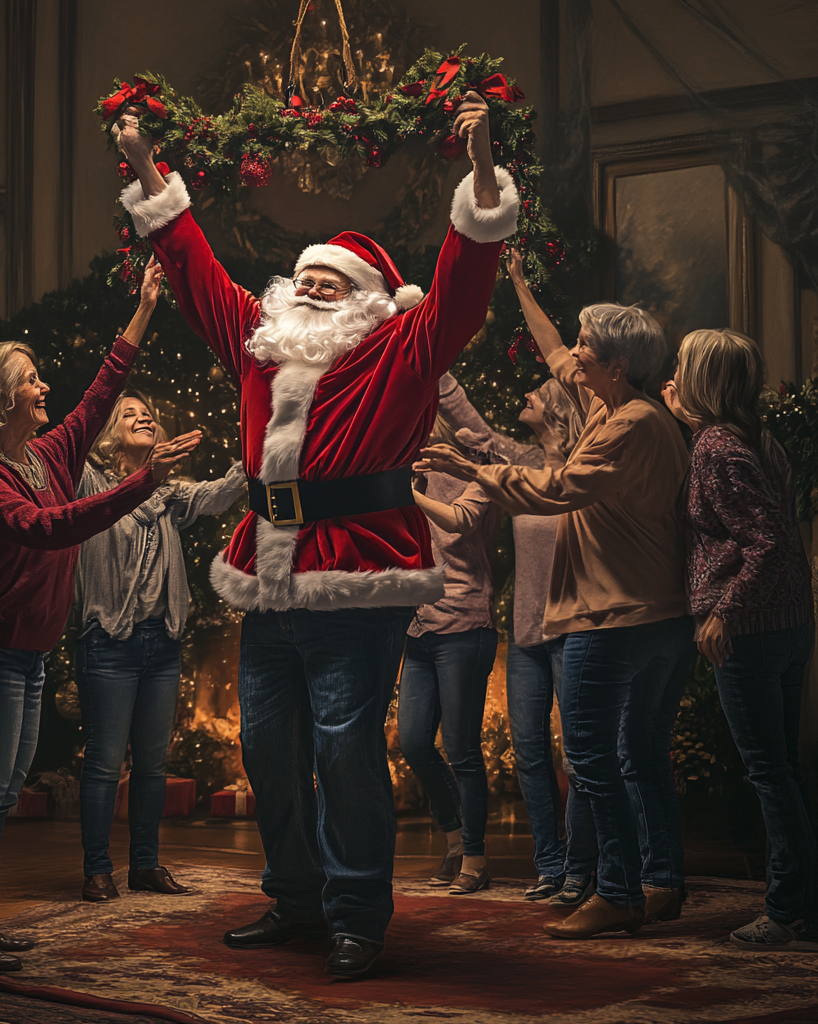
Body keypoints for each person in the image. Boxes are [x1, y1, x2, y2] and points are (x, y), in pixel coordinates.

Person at [112, 90, 518, 977]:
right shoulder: (259, 344)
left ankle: (357, 912)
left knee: (343, 748)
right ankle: (295, 899)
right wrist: (147, 170)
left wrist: (482, 178)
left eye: (334, 280)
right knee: (265, 748)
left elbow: (461, 287)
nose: (313, 284)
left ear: (370, 300)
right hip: (267, 574)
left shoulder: (402, 349)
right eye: (306, 276)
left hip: (357, 577)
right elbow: (193, 268)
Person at [0, 259, 201, 971]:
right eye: (30, 378)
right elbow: (47, 530)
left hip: (25, 655)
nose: (44, 386)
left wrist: (145, 308)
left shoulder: (46, 453)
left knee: (0, 793)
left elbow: (100, 390)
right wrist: (146, 481)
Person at [416, 269, 695, 940]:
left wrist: (468, 466)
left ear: (617, 365)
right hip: (660, 616)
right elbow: (553, 354)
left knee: (595, 757)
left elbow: (556, 489)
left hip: (616, 614)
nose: (572, 358)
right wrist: (517, 284)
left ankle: (621, 892)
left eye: (585, 349)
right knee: (642, 757)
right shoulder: (622, 406)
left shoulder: (625, 425)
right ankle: (661, 881)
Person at [662, 329, 816, 953]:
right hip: (788, 623)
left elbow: (769, 541)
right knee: (782, 768)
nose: (671, 373)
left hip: (751, 630)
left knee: (768, 771)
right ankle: (799, 902)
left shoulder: (716, 447)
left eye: (681, 366)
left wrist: (724, 612)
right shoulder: (748, 437)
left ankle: (787, 911)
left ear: (702, 378)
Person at [437, 365, 598, 912]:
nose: (525, 392)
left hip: (576, 631)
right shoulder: (521, 463)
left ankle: (581, 868)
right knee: (530, 754)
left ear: (558, 408)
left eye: (537, 391)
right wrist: (430, 354)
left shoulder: (589, 468)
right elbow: (473, 429)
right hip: (526, 633)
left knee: (578, 756)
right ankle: (550, 866)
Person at [75, 390, 245, 903]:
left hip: (161, 645)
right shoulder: (89, 483)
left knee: (153, 764)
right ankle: (98, 869)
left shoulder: (170, 493)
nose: (141, 415)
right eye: (127, 413)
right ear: (108, 435)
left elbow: (221, 493)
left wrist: (258, 447)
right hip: (107, 642)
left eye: (147, 411)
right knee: (105, 764)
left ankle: (145, 865)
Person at [399, 413, 500, 896]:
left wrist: (401, 492)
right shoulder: (403, 470)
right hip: (417, 627)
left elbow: (458, 521)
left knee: (461, 748)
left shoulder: (478, 468)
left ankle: (476, 860)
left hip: (464, 621)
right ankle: (456, 841)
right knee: (414, 741)